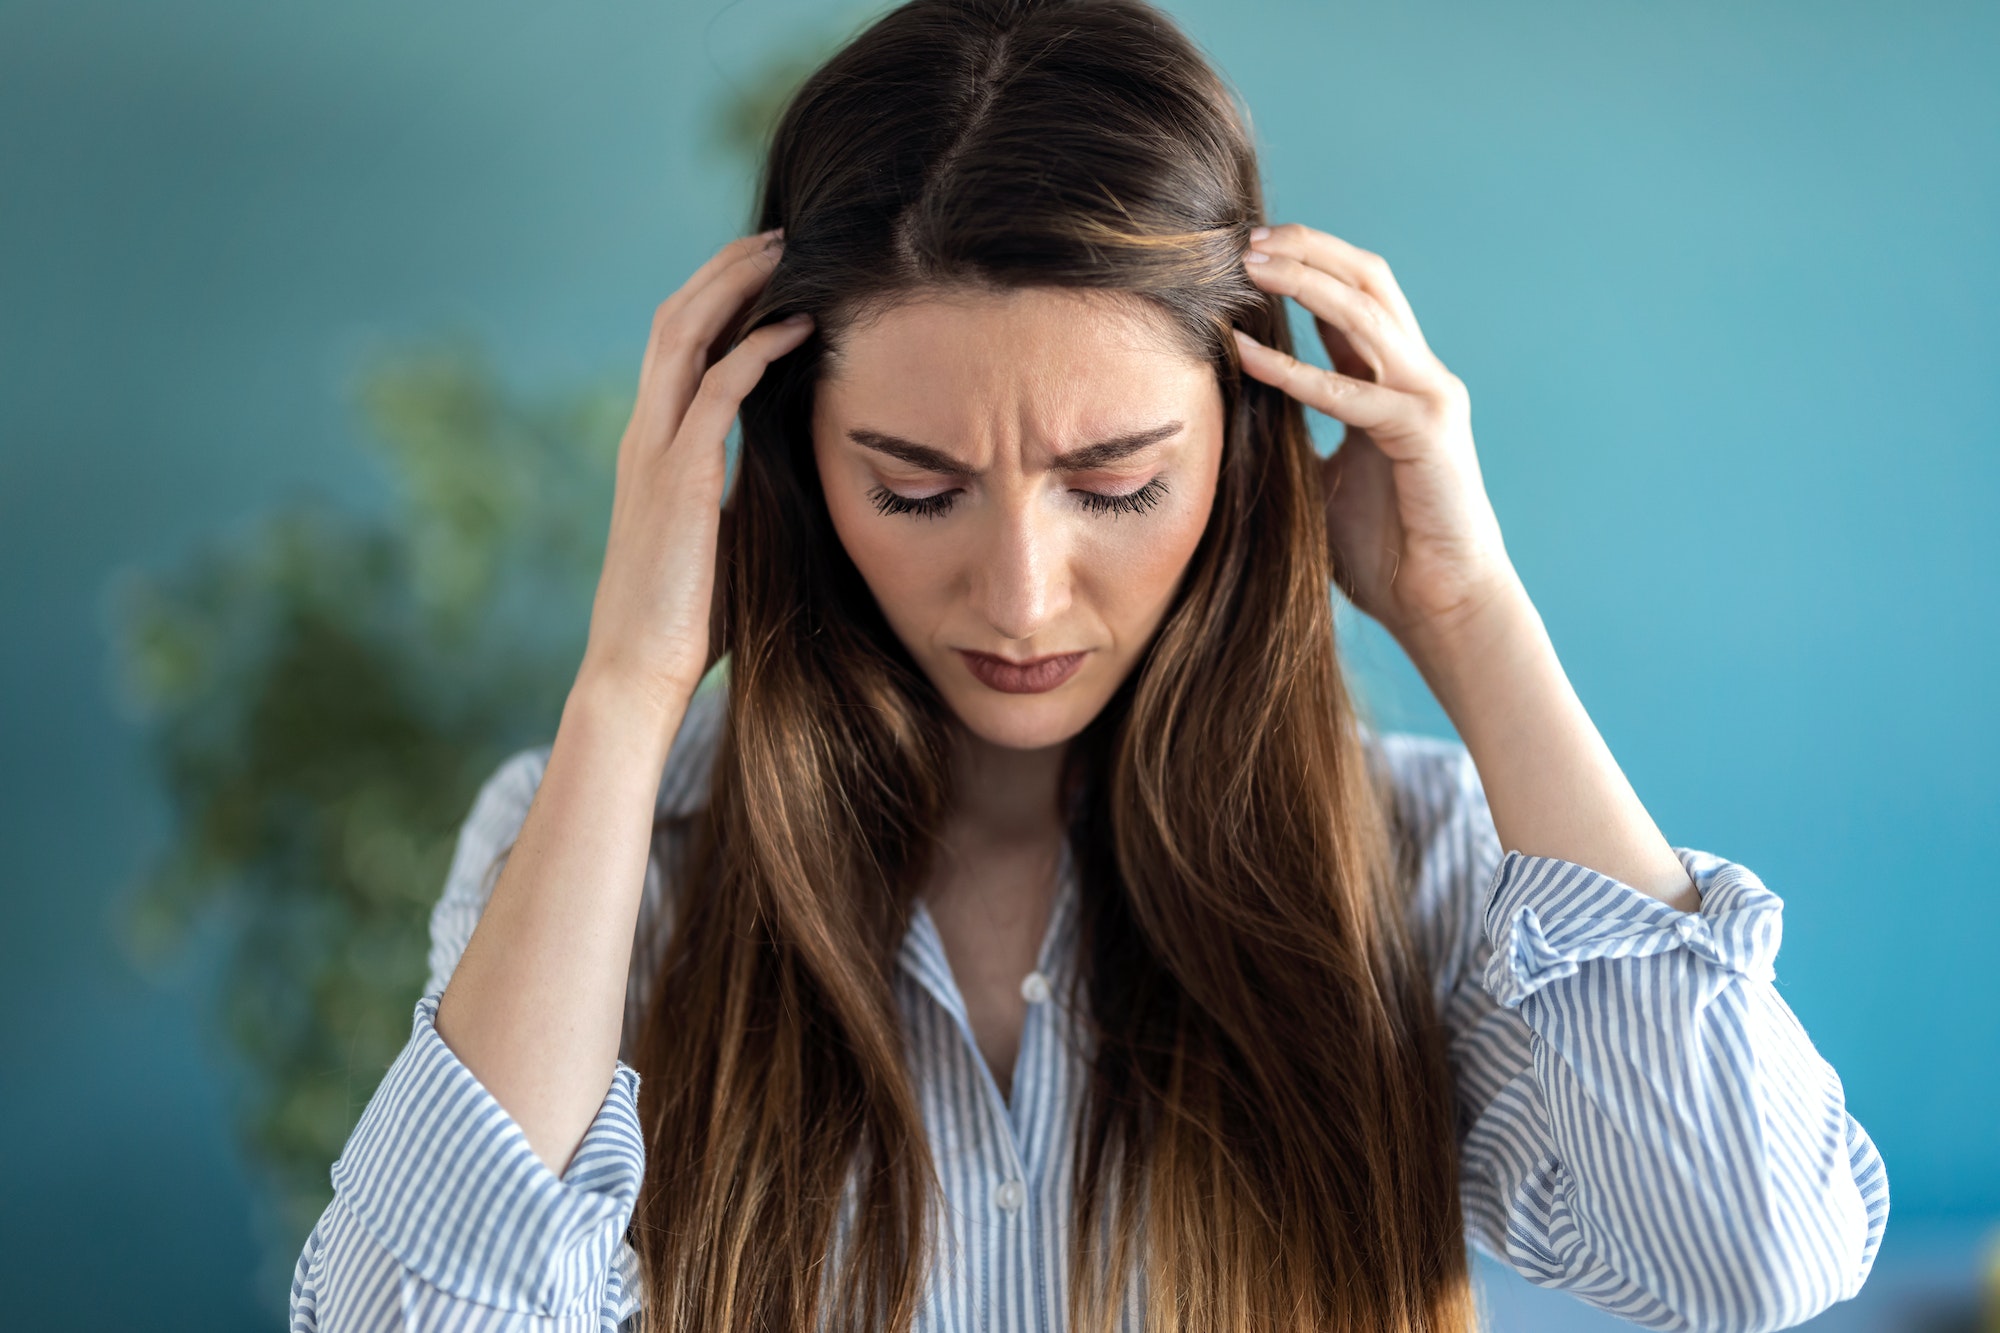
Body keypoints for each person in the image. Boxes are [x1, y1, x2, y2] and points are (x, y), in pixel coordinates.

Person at [287, 0, 1888, 1329]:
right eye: (915, 489)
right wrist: (630, 682)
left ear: (1246, 444)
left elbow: (1749, 1258)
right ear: (789, 461)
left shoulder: (1418, 867)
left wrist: (1468, 610)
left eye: (1117, 484)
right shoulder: (607, 857)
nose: (1021, 594)